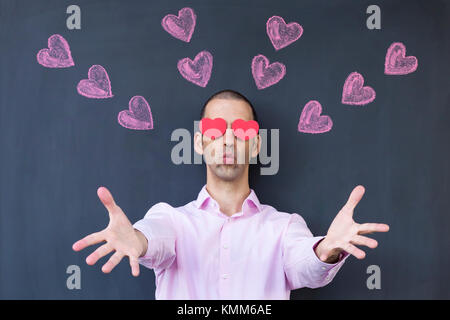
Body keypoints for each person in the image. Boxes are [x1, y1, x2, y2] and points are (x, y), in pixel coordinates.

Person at [72, 89, 390, 299]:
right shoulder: (171, 219)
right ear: (199, 142)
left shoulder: (284, 227)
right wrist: (137, 241)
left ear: (255, 145)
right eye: (215, 129)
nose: (227, 140)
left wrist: (327, 250)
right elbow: (153, 239)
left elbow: (305, 265)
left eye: (241, 131)